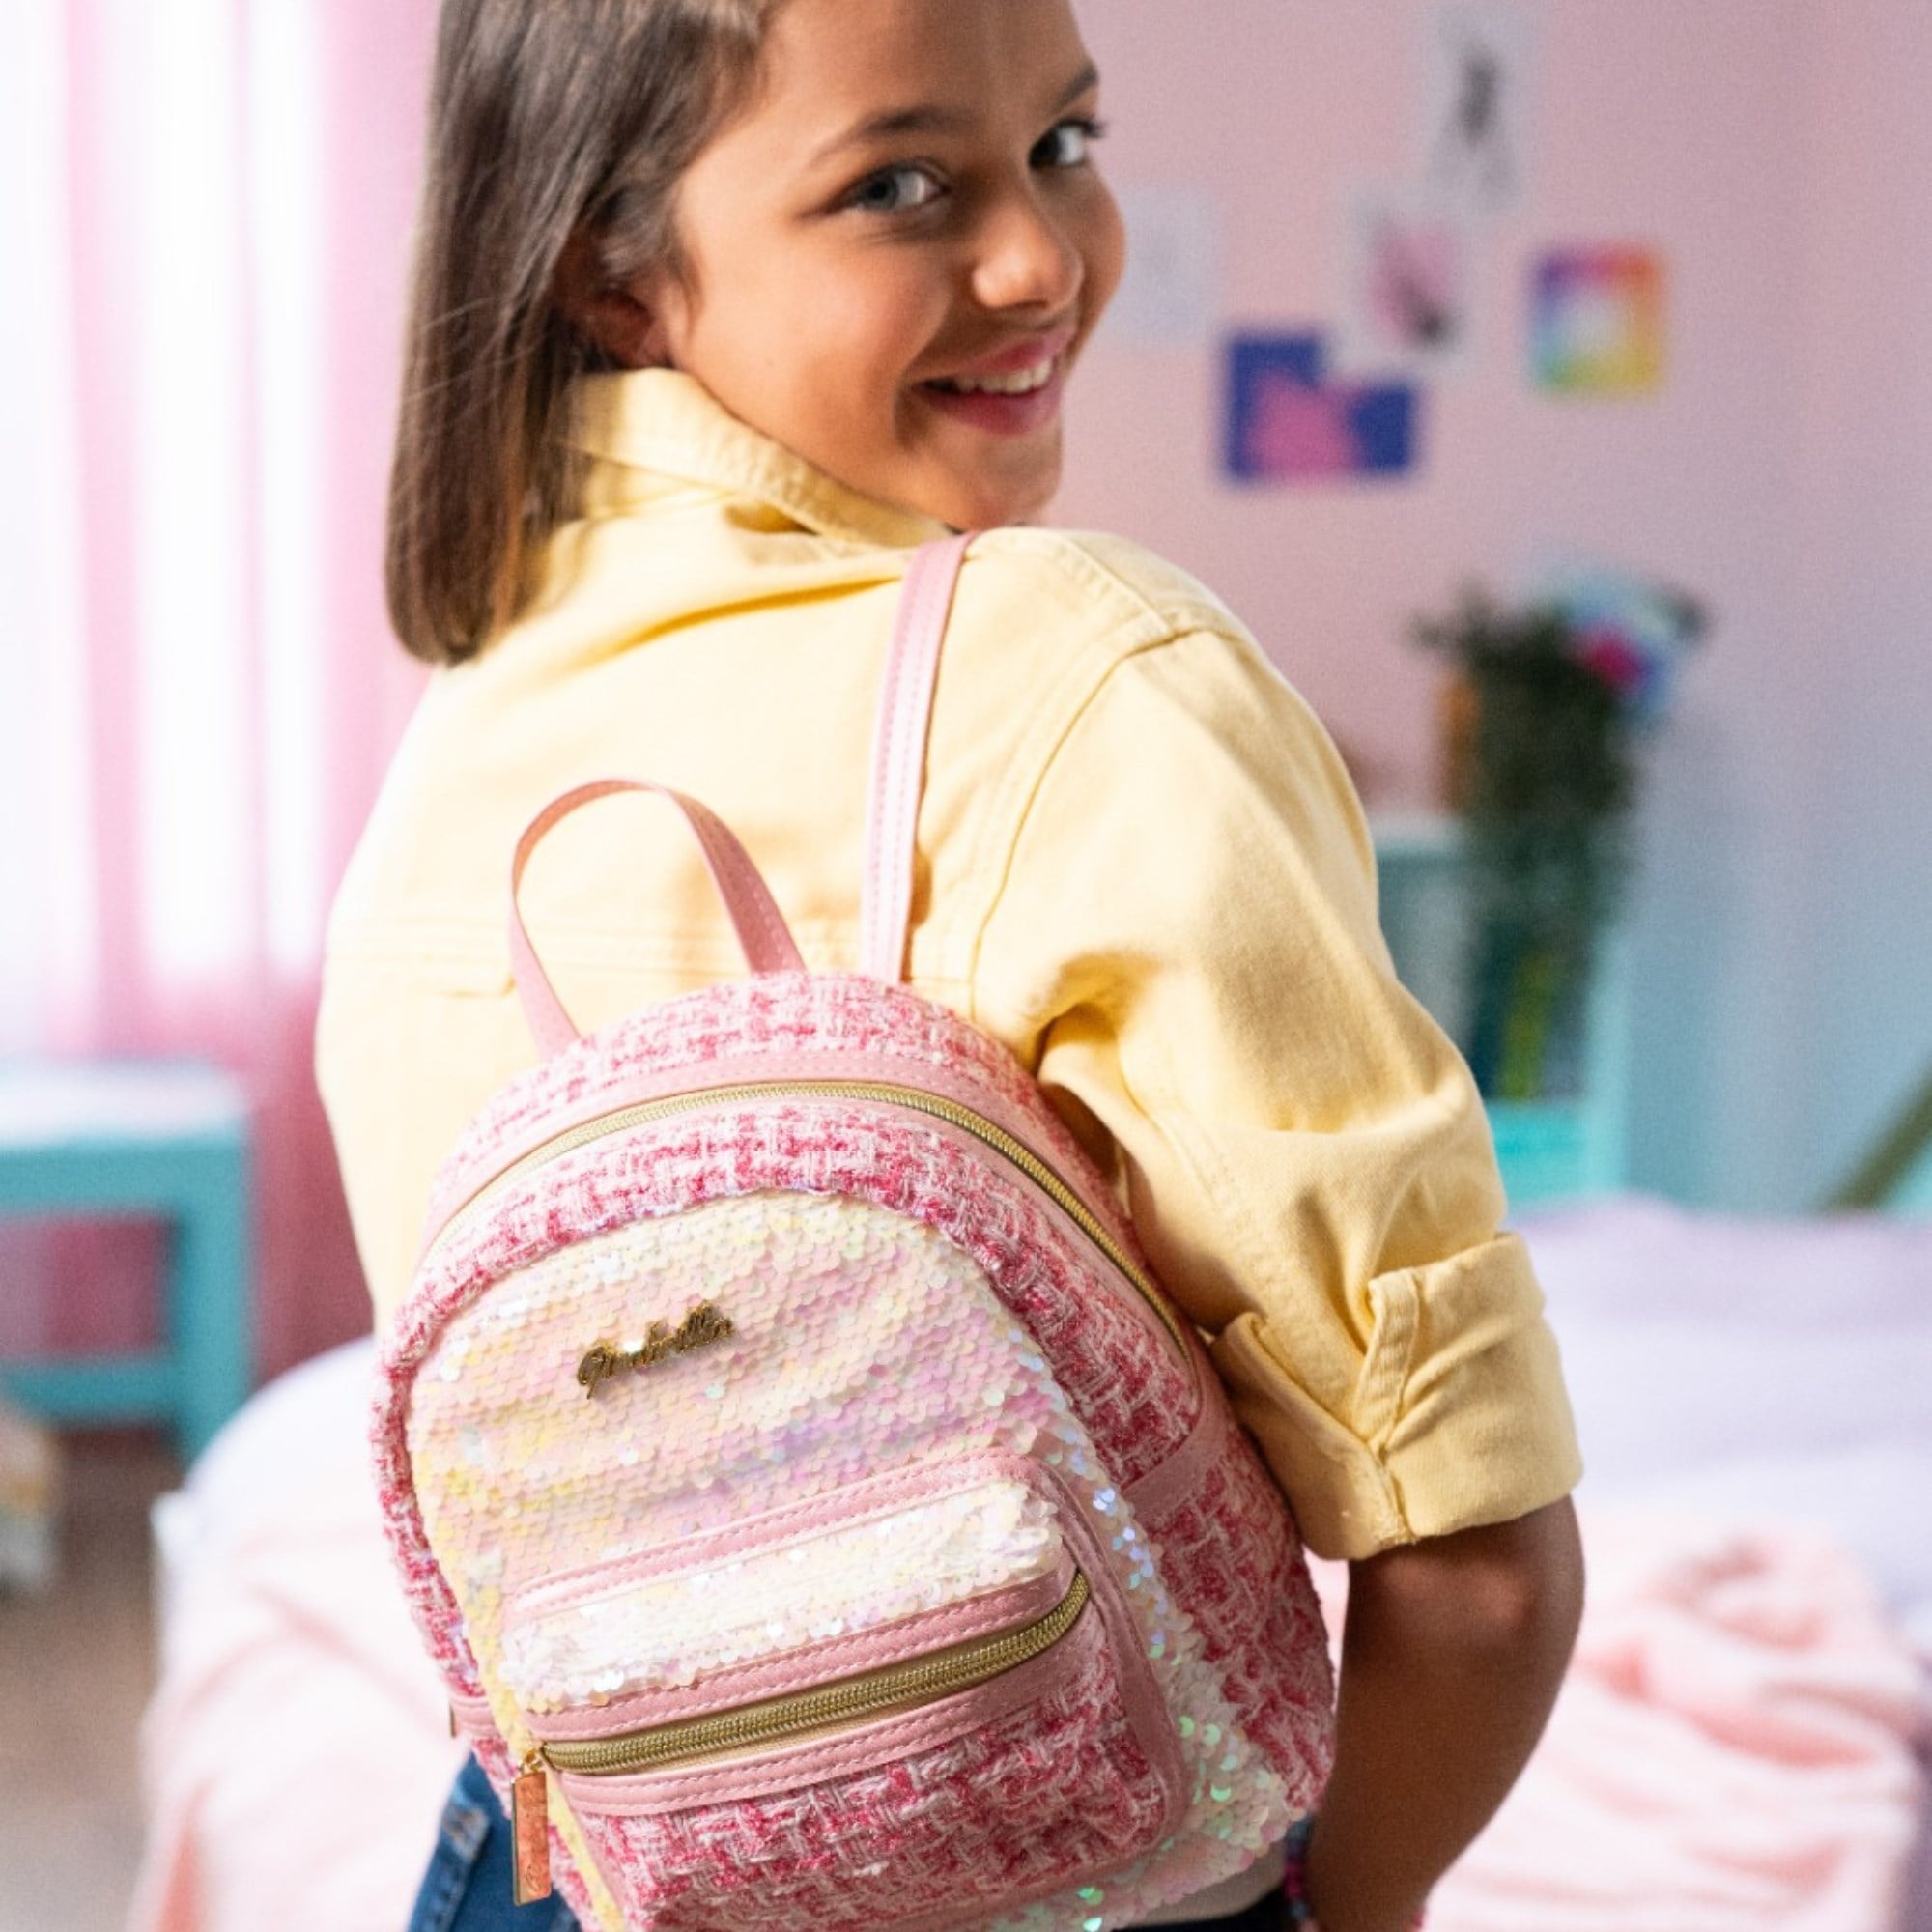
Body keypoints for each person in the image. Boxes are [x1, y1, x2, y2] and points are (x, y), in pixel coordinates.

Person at [316, 1, 1586, 1928]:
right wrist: (1361, 1903)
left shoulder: (466, 721)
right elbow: (1476, 1577)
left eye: (1064, 144)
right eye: (900, 183)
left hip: (553, 1862)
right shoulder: (1085, 677)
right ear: (614, 268)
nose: (1041, 261)